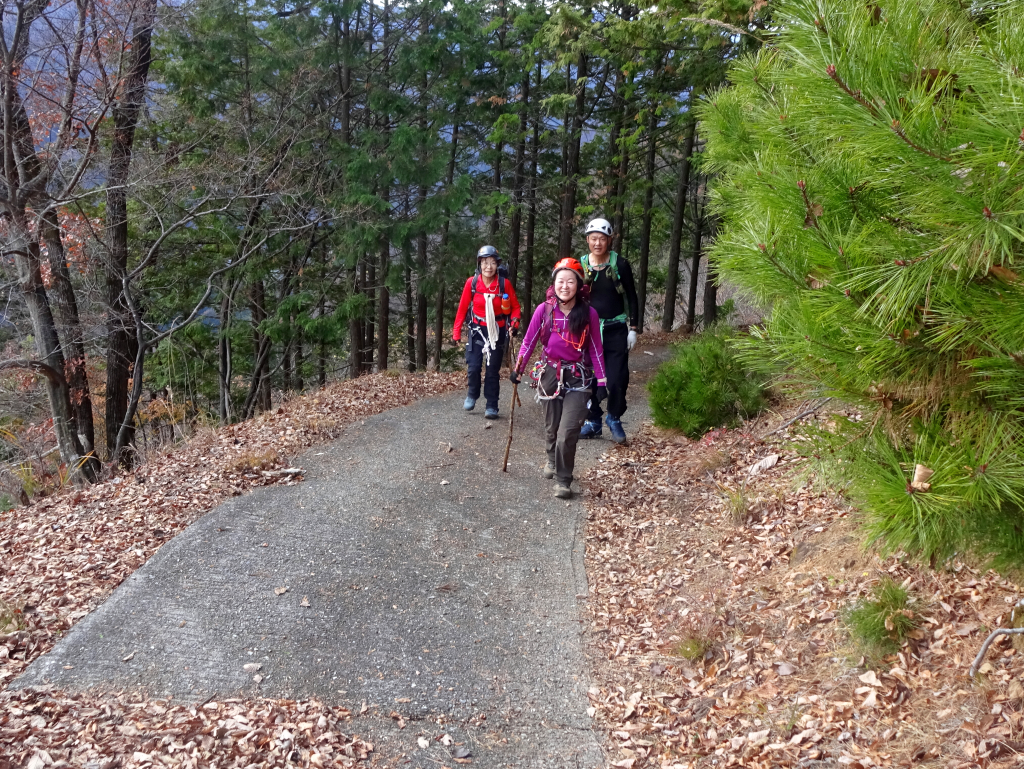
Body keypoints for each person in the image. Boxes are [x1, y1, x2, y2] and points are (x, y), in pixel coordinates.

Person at [511, 258, 607, 499]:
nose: (565, 286)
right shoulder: (544, 311)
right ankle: (551, 458)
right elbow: (529, 341)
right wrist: (518, 368)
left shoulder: (589, 314)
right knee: (552, 428)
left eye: (570, 281)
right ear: (553, 284)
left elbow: (596, 348)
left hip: (578, 377)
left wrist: (602, 381)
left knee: (568, 431)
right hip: (550, 373)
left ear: (579, 284)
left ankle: (564, 480)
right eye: (560, 281)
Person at [577, 218, 639, 445]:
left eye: (602, 239)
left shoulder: (620, 264)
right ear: (587, 240)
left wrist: (633, 328)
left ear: (609, 240)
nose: (597, 243)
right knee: (588, 378)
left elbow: (632, 296)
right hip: (587, 331)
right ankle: (593, 421)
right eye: (593, 239)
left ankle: (614, 417)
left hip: (615, 329)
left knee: (617, 378)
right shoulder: (580, 265)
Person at [453, 245, 522, 419]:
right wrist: (456, 333)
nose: (488, 267)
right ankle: (472, 394)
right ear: (479, 264)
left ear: (497, 264)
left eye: (492, 263)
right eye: (484, 262)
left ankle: (492, 406)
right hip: (477, 329)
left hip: (497, 330)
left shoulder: (503, 284)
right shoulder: (472, 282)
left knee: (492, 370)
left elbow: (515, 307)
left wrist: (514, 324)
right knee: (474, 367)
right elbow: (462, 309)